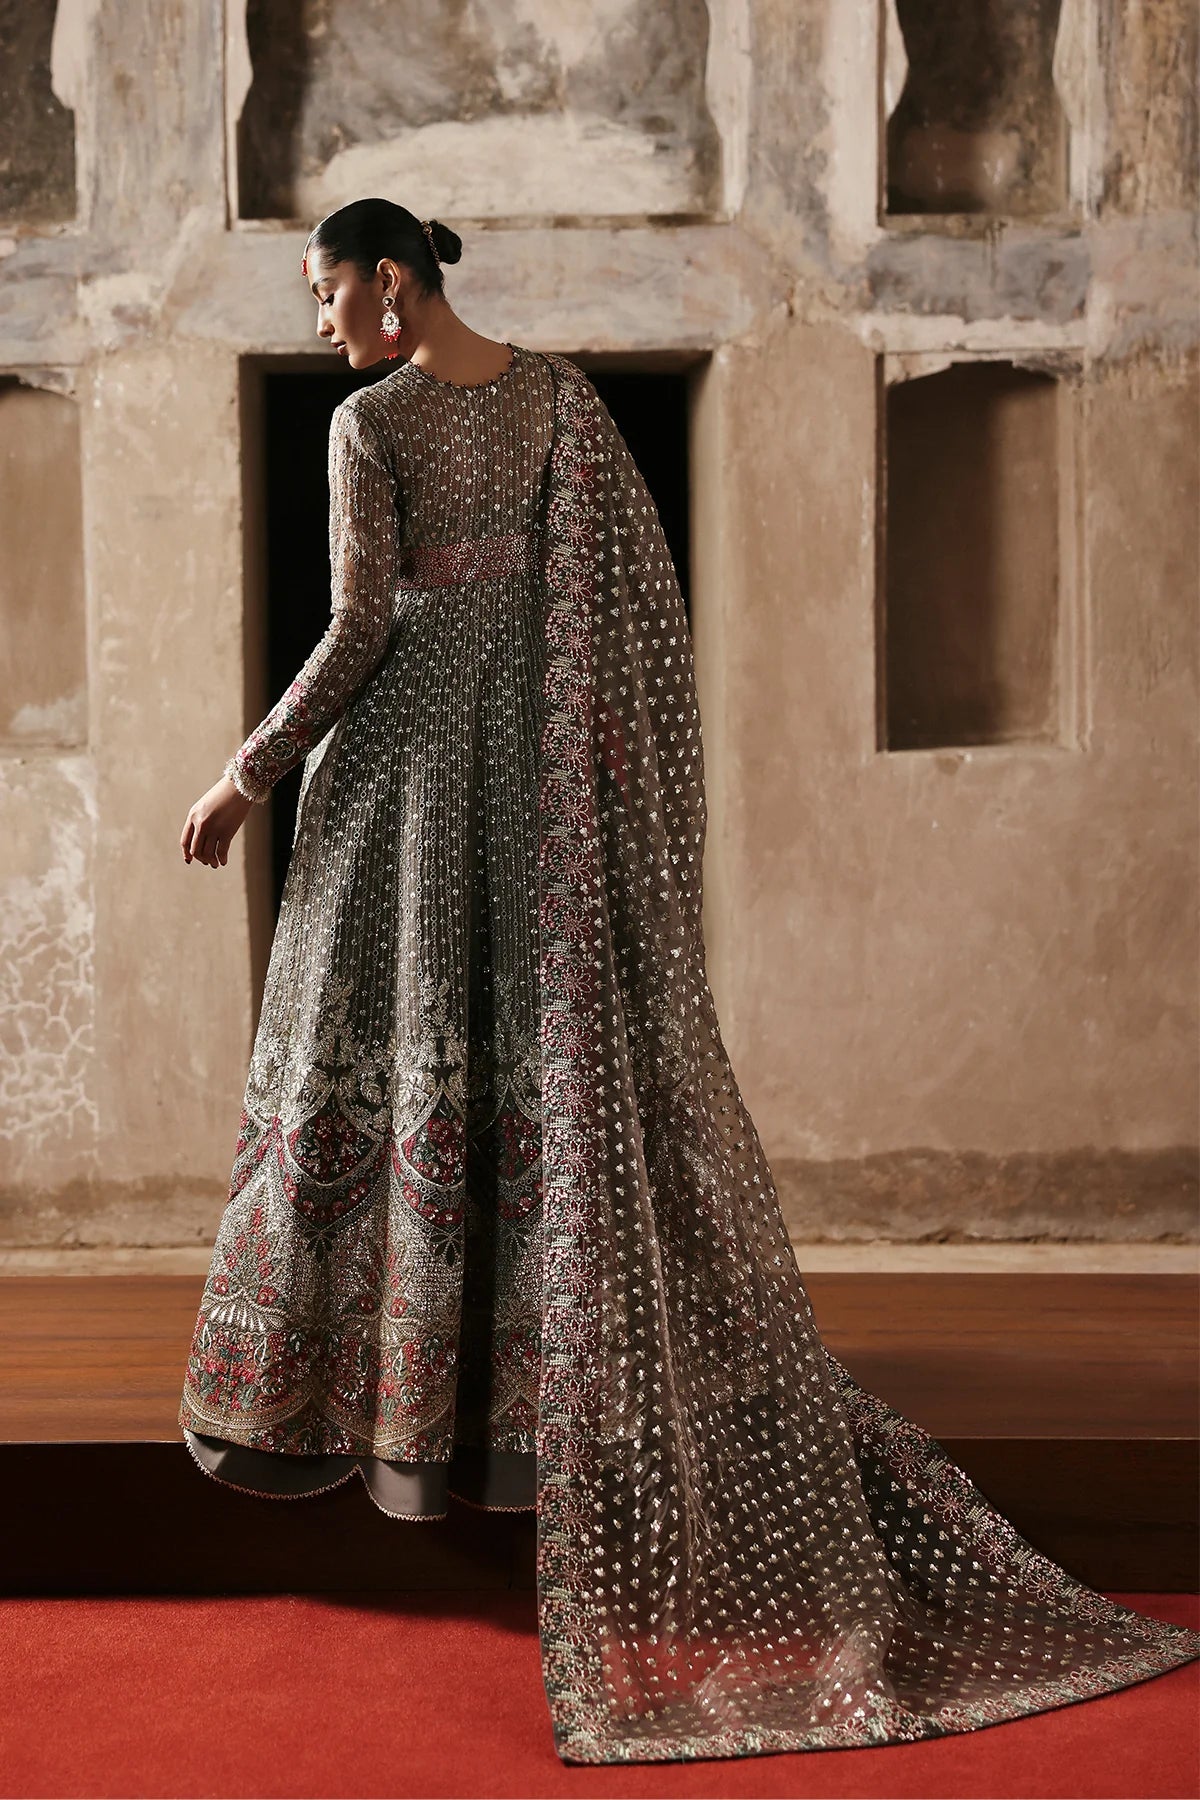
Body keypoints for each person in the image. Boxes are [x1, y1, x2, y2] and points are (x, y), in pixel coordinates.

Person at [177, 197, 1199, 1765]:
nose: (321, 325)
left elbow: (362, 626)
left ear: (391, 281)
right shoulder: (563, 404)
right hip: (536, 800)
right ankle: (524, 1410)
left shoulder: (369, 425)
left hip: (403, 797)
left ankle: (385, 1414)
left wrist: (245, 775)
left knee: (393, 1066)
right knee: (525, 1079)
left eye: (326, 294)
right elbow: (615, 626)